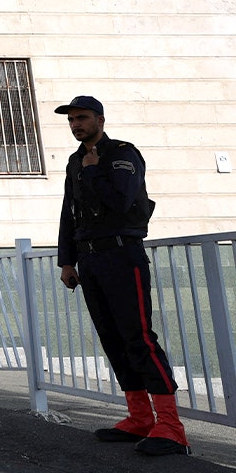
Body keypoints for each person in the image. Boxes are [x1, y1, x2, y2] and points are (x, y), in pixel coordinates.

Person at [55, 95, 189, 456]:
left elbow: (121, 201)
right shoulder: (75, 161)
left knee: (138, 338)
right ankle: (140, 418)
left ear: (100, 119)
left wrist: (94, 171)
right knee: (112, 339)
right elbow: (69, 212)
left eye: (82, 118)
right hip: (90, 259)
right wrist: (67, 261)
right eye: (72, 120)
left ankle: (172, 428)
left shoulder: (121, 154)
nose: (76, 125)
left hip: (122, 255)